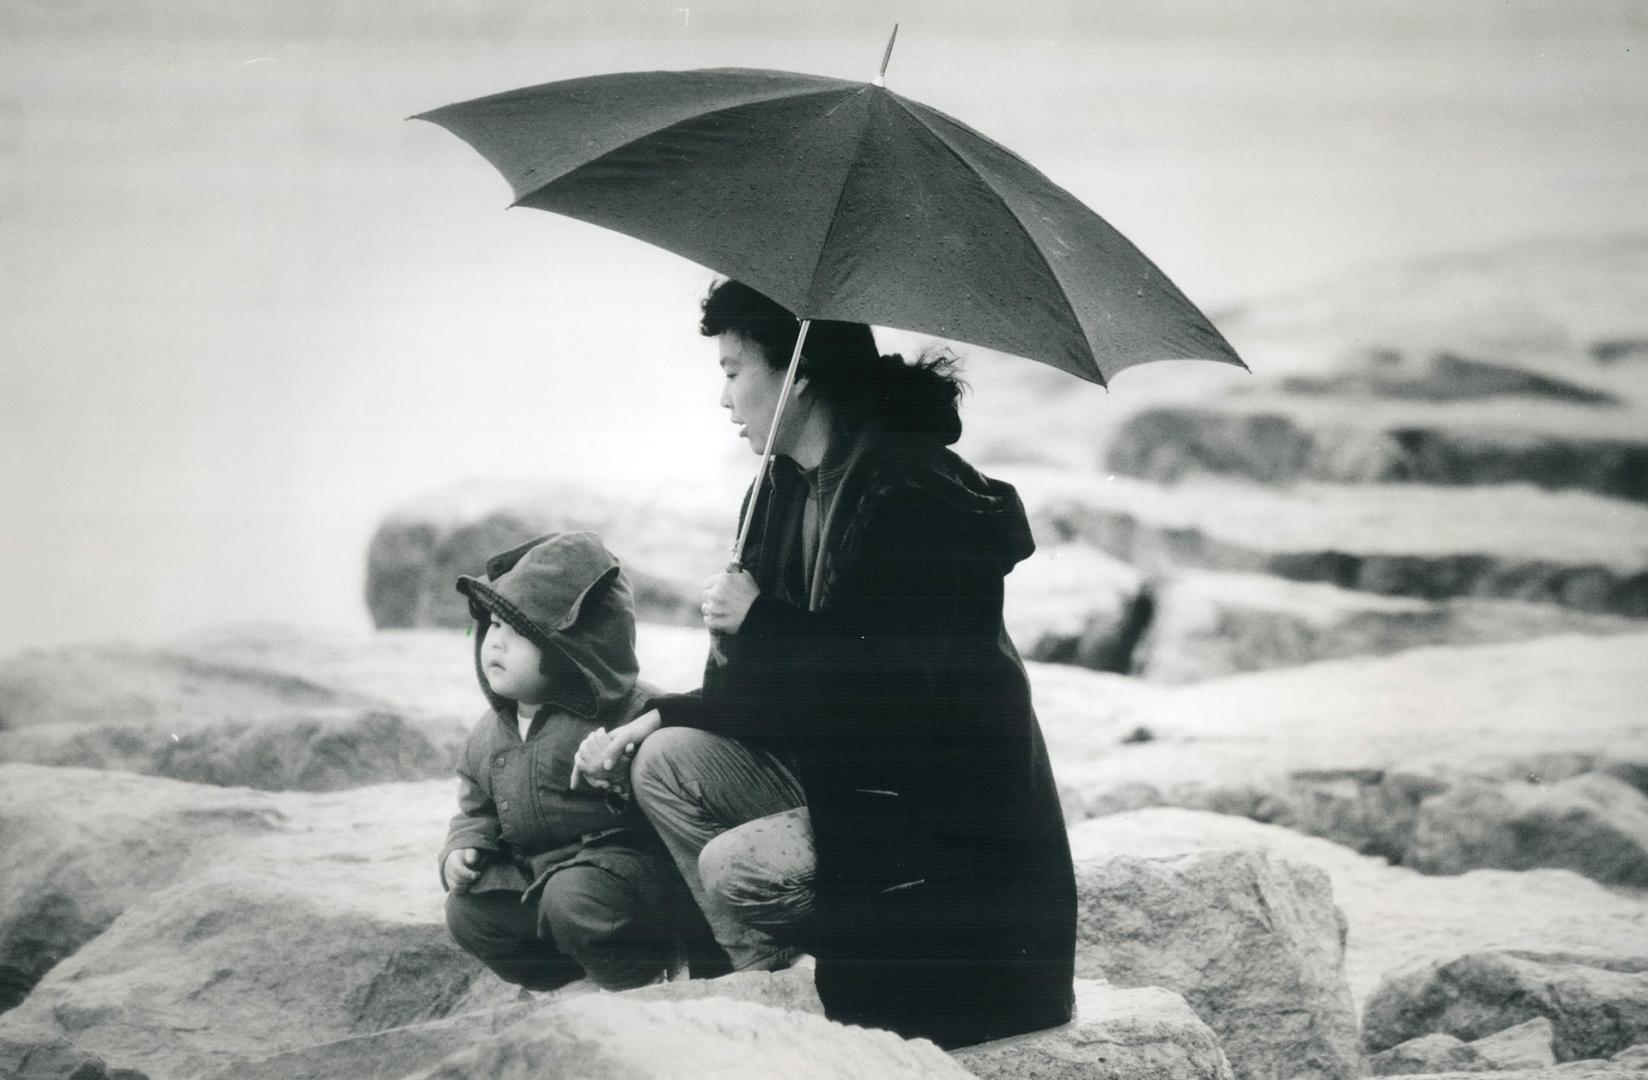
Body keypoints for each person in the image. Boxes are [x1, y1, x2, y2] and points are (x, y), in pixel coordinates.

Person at [574, 280, 1078, 1048]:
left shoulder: (915, 491)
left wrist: (760, 621)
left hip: (944, 827)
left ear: (799, 375)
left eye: (735, 370)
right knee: (666, 763)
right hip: (851, 787)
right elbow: (764, 699)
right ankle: (765, 989)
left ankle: (825, 1001)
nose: (723, 396)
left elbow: (893, 697)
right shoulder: (780, 490)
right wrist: (657, 712)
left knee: (734, 868)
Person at [439, 530, 718, 992]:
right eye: (491, 624)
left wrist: (617, 780)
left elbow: (687, 781)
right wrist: (463, 849)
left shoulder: (632, 712)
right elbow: (477, 809)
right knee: (468, 911)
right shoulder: (487, 734)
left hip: (625, 879)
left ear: (571, 649)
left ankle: (640, 979)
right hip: (536, 877)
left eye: (516, 630)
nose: (494, 642)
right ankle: (569, 982)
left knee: (574, 901)